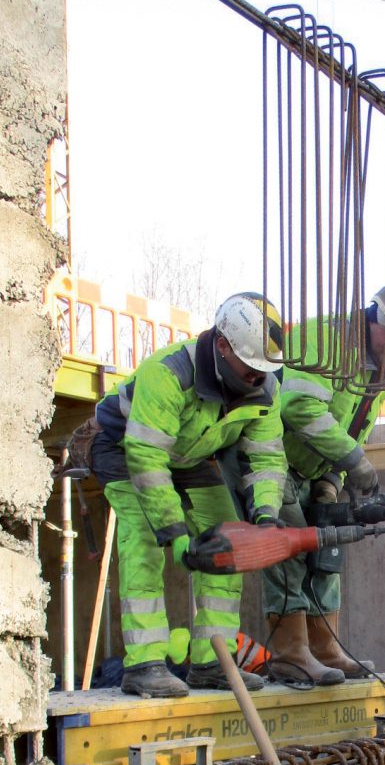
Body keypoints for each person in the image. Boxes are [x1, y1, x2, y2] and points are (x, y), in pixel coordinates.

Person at [91, 293, 287, 698]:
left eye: (264, 371)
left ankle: (212, 662)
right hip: (124, 448)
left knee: (226, 539)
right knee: (145, 540)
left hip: (189, 454)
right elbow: (146, 458)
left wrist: (266, 517)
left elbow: (266, 458)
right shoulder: (168, 374)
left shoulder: (266, 387)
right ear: (221, 346)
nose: (257, 379)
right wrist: (176, 535)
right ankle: (144, 664)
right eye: (250, 369)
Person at [263, 280, 385, 685]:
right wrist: (353, 461)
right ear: (372, 317)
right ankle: (290, 654)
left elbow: (350, 429)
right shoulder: (324, 340)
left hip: (310, 470)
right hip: (270, 456)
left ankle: (325, 649)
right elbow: (300, 409)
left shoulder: (377, 376)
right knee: (290, 551)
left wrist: (330, 483)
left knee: (328, 549)